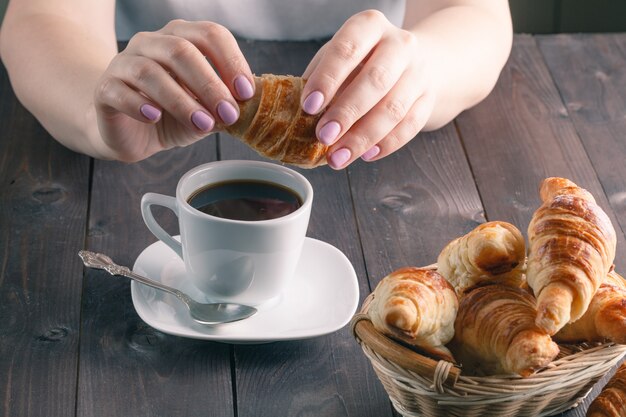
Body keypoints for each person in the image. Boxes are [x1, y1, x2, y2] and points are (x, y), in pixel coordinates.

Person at [0, 0, 512, 170]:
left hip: (369, 80)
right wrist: (97, 108)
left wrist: (424, 70)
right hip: (151, 78)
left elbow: (471, 13)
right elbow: (43, 15)